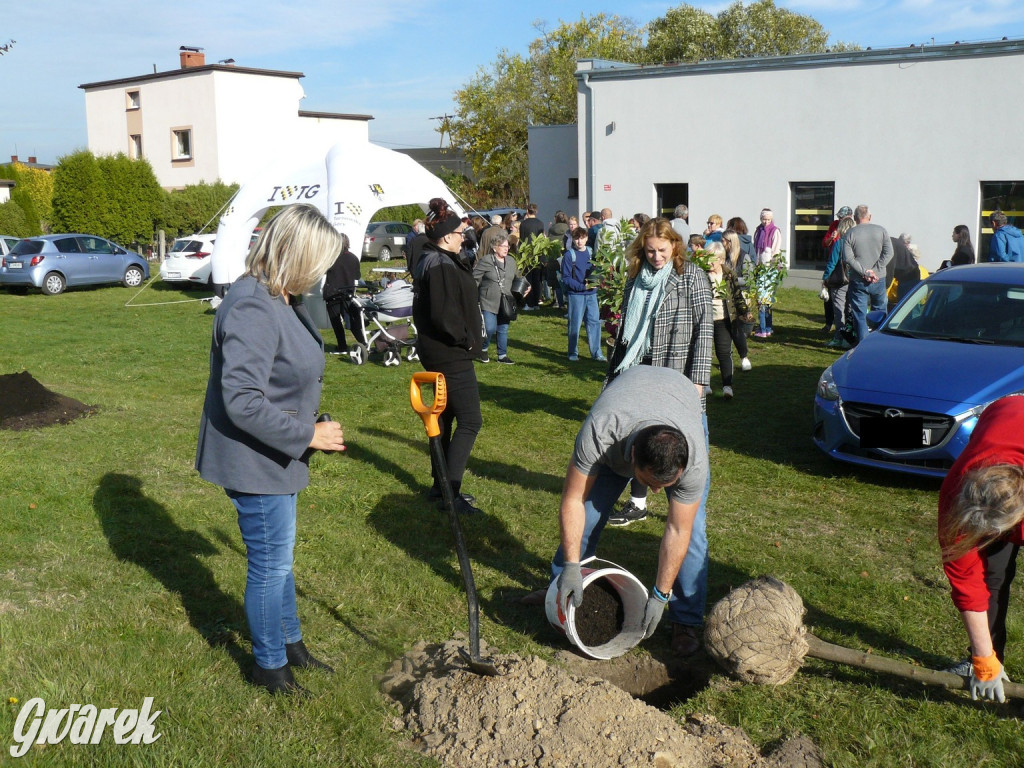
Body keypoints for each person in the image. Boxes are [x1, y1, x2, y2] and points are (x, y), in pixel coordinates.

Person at [195, 204, 345, 695]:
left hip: (275, 457)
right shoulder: (254, 306)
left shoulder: (282, 297)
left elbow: (282, 378)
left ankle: (290, 644)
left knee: (279, 560)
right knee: (270, 565)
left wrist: (309, 420)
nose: (322, 275)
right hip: (254, 461)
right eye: (318, 264)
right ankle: (268, 666)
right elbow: (241, 399)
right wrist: (308, 435)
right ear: (295, 255)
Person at [524, 366, 710, 658]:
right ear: (633, 456)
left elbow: (678, 530)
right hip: (624, 408)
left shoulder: (694, 460)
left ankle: (684, 621)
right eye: (649, 483)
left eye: (667, 485)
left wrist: (660, 595)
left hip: (679, 398)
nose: (657, 493)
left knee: (695, 537)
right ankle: (562, 589)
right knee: (589, 513)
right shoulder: (601, 431)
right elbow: (573, 499)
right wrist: (572, 565)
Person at [605, 219, 711, 571]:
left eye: (662, 250)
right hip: (636, 380)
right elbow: (626, 332)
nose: (656, 257)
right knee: (637, 454)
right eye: (649, 250)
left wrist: (697, 379)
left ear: (675, 247)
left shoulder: (692, 276)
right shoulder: (636, 277)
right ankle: (634, 503)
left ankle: (685, 607)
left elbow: (705, 329)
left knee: (685, 491)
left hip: (678, 381)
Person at [938, 395, 1024, 703]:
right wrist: (983, 659)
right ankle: (992, 660)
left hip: (1017, 413)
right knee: (992, 577)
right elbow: (966, 582)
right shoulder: (955, 494)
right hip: (1002, 413)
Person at [413, 198, 484, 516]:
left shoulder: (437, 258)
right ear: (445, 236)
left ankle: (439, 486)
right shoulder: (439, 263)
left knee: (444, 418)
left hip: (439, 351)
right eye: (459, 233)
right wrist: (466, 341)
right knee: (470, 420)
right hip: (449, 353)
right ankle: (450, 492)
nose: (463, 237)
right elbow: (443, 315)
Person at [473, 230, 528, 365]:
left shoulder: (511, 261)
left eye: (507, 246)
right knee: (490, 328)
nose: (506, 249)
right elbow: (474, 279)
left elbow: (518, 276)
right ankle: (483, 348)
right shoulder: (486, 261)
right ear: (494, 247)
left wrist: (525, 286)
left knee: (503, 328)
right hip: (488, 300)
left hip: (506, 300)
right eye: (503, 246)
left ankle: (502, 355)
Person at [842, 204, 893, 346]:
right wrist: (875, 270)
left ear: (854, 218)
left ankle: (863, 346)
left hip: (858, 280)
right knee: (880, 311)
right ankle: (879, 344)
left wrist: (865, 272)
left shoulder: (850, 234)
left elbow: (848, 258)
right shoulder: (881, 231)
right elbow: (889, 253)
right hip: (879, 279)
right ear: (869, 217)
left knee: (860, 315)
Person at [705, 241, 749, 399]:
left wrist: (744, 311)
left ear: (721, 260)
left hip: (724, 319)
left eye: (712, 259)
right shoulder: (701, 274)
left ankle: (727, 386)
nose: (709, 263)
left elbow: (737, 295)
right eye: (707, 258)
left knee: (724, 352)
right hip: (705, 320)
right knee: (704, 353)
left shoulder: (729, 275)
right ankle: (706, 385)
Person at [562, 226, 606, 362]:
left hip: (592, 294)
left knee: (594, 323)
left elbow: (598, 270)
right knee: (574, 324)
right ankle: (572, 353)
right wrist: (581, 287)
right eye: (576, 239)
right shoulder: (569, 255)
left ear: (586, 238)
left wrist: (598, 281)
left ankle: (597, 353)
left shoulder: (591, 252)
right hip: (576, 295)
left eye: (582, 238)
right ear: (573, 240)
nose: (579, 241)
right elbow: (566, 278)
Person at [322, 233, 364, 354]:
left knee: (336, 322)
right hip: (348, 293)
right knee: (351, 320)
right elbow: (357, 276)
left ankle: (342, 345)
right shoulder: (353, 258)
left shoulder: (331, 258)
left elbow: (322, 271)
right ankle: (363, 341)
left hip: (333, 293)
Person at [721, 230, 754, 371]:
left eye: (723, 241)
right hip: (724, 296)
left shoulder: (743, 257)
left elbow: (749, 278)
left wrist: (731, 279)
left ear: (730, 242)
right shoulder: (723, 257)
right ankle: (728, 359)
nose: (721, 243)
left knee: (737, 329)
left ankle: (744, 356)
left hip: (738, 296)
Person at [823, 216, 856, 349]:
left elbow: (832, 263)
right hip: (854, 280)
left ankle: (839, 337)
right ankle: (849, 337)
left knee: (838, 310)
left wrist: (825, 279)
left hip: (839, 281)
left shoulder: (840, 243)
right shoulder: (855, 243)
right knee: (850, 309)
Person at [752, 209, 782, 337]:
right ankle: (767, 327)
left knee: (765, 298)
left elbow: (776, 248)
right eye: (764, 219)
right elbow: (756, 247)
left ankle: (766, 328)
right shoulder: (758, 230)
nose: (766, 221)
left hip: (769, 266)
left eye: (768, 219)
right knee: (765, 299)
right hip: (760, 265)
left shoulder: (775, 230)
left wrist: (771, 264)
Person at [519, 203, 546, 309]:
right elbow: (542, 240)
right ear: (536, 211)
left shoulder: (523, 224)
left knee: (528, 279)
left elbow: (522, 240)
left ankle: (528, 302)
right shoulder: (540, 223)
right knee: (537, 279)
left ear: (527, 211)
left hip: (526, 254)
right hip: (537, 253)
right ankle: (536, 303)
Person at [546, 211, 570, 310]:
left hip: (552, 257)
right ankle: (566, 302)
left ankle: (557, 302)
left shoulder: (551, 230)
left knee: (555, 282)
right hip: (564, 257)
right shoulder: (568, 229)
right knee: (562, 280)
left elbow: (548, 243)